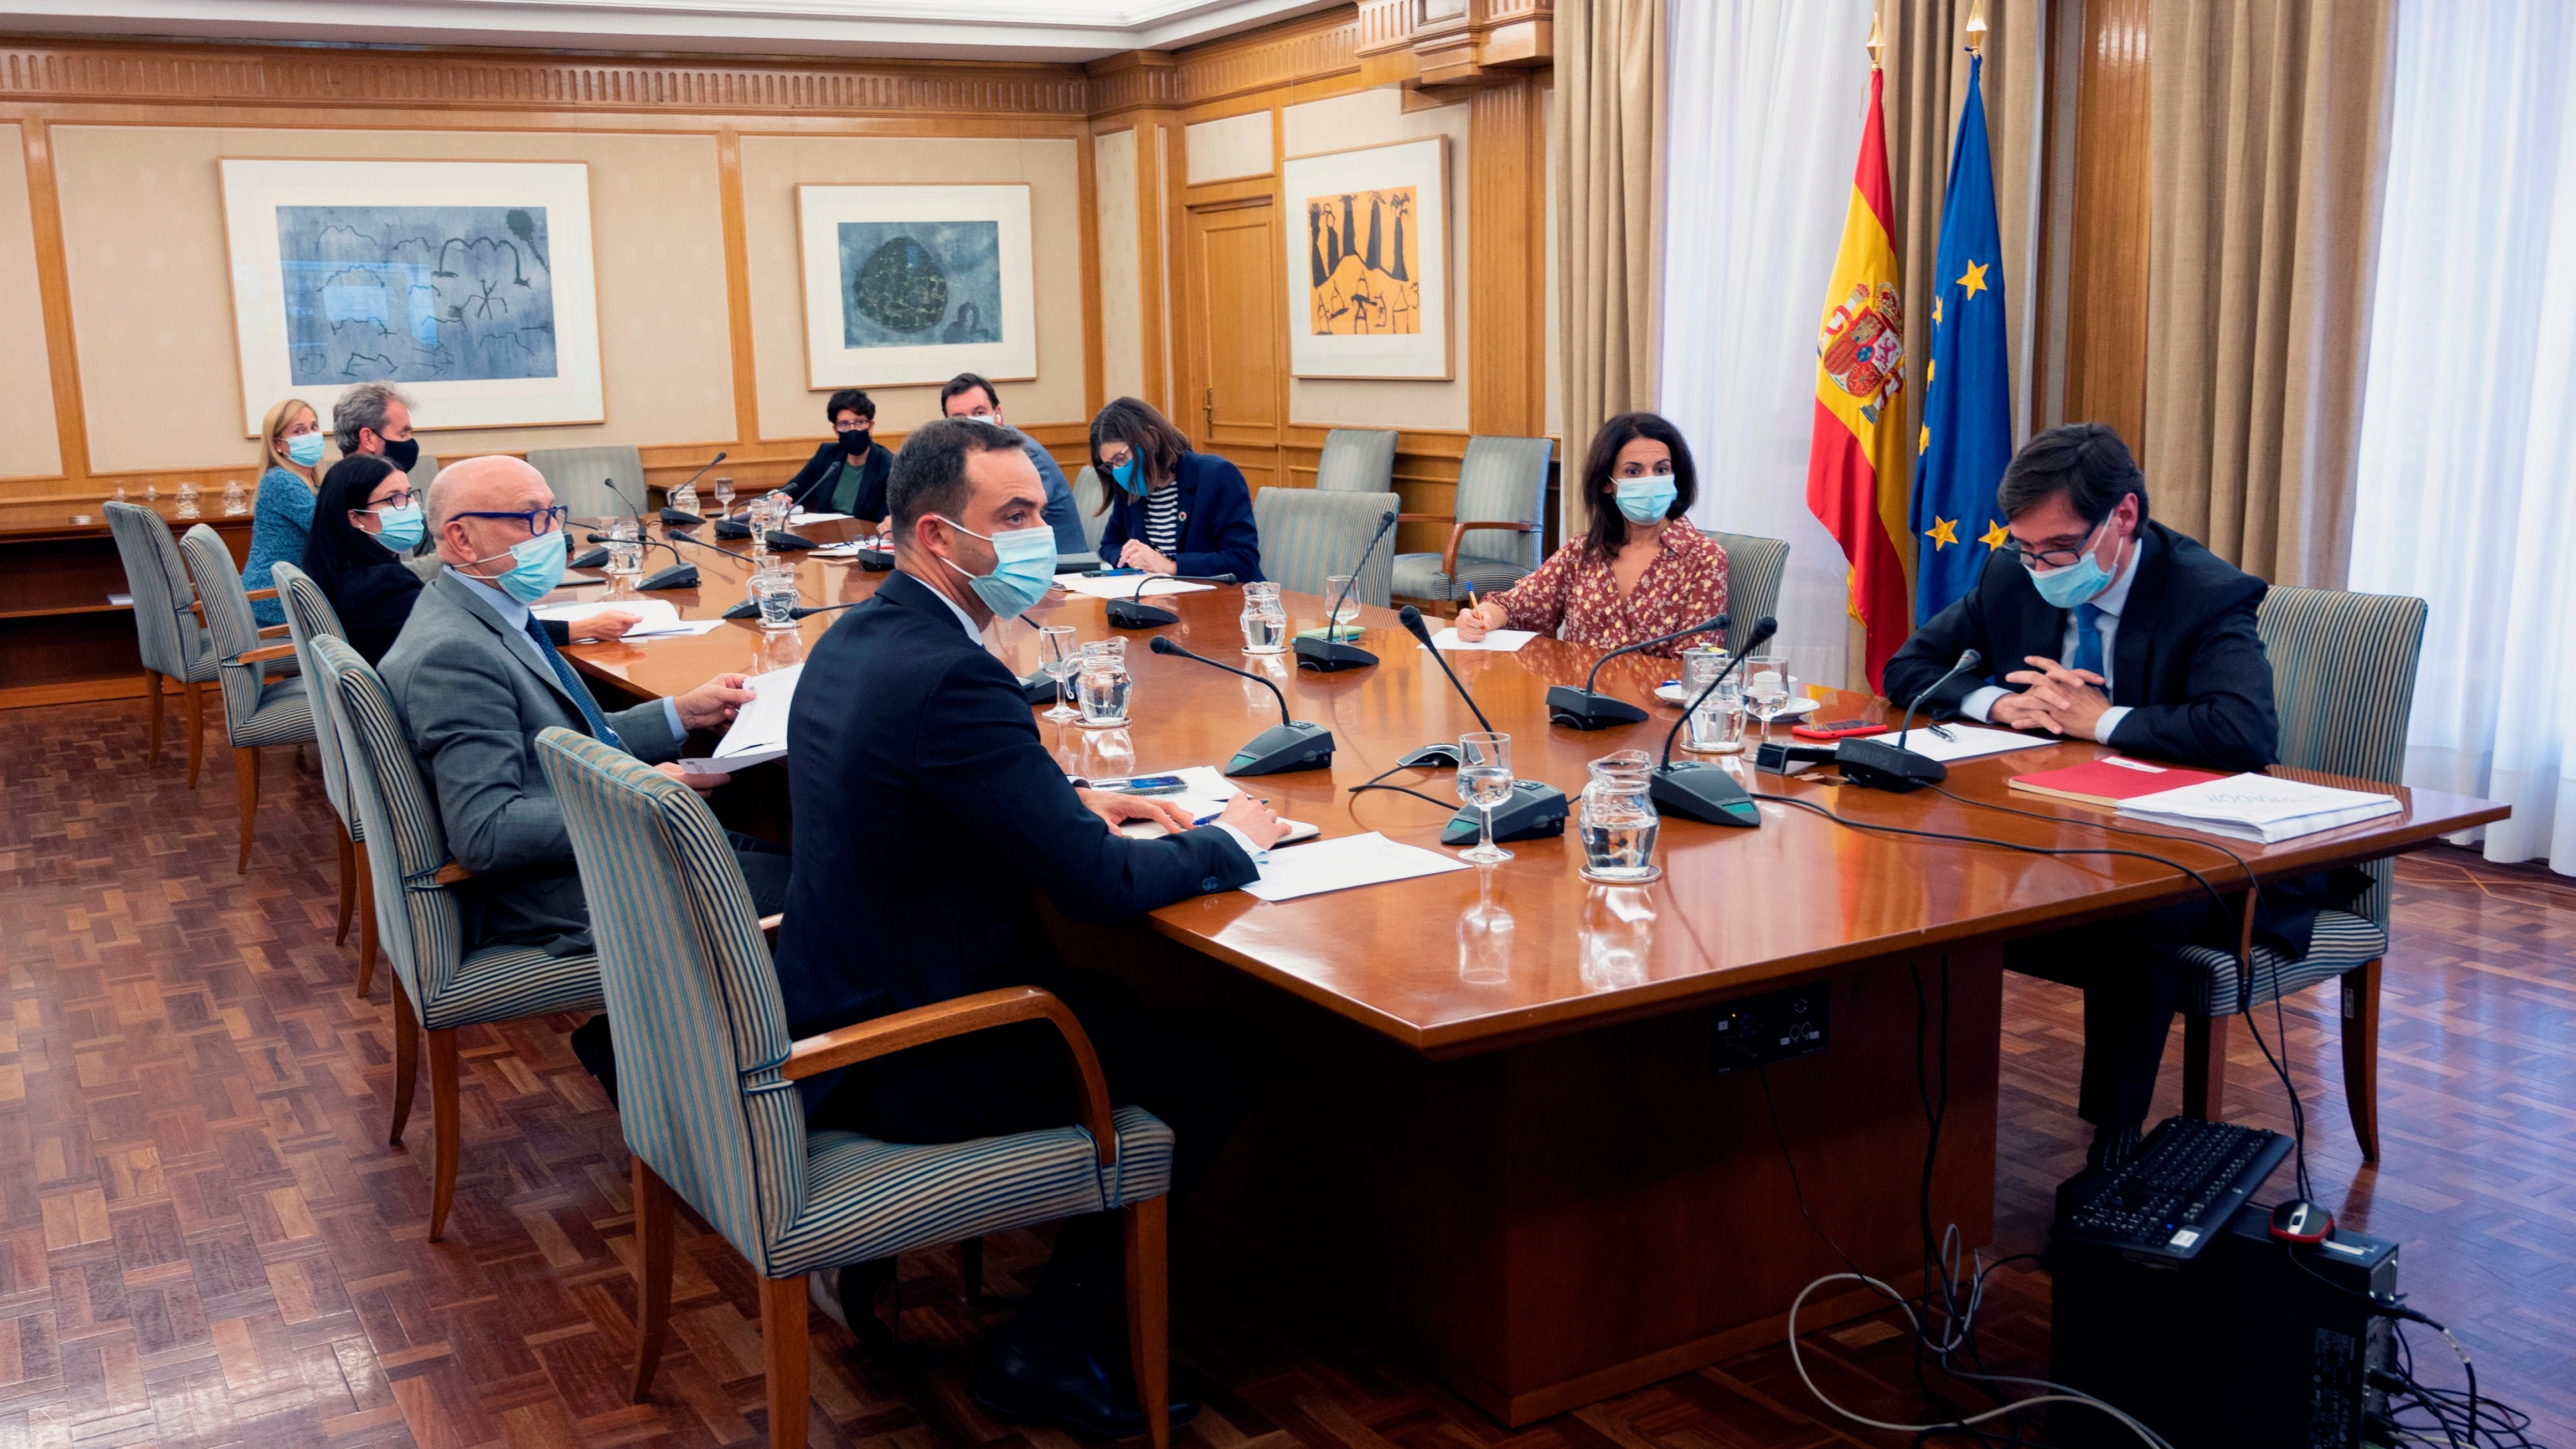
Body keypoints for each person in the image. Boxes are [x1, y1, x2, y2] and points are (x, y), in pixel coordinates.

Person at [775, 416, 1286, 1437]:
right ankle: (1044, 1343)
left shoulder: (864, 635)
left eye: (1041, 511)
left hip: (835, 997)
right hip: (924, 1044)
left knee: (1127, 1007)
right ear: (933, 537)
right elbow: (1094, 887)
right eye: (1010, 518)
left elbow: (934, 784)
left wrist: (1068, 796)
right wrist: (1234, 840)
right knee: (1214, 1053)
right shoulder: (954, 674)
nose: (1040, 532)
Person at [1882, 422, 2352, 1172]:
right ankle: (1904, 1109)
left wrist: (2097, 720)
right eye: (2025, 548)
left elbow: (2244, 731)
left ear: (2123, 518)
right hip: (2055, 820)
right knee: (1920, 867)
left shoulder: (2204, 593)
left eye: (2060, 549)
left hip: (2203, 848)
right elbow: (1908, 667)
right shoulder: (2013, 577)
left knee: (2134, 911)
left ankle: (2115, 1138)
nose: (2040, 568)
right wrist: (1995, 706)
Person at [379, 456, 788, 961]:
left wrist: (682, 713)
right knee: (824, 895)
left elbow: (574, 736)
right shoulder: (455, 655)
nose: (553, 533)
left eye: (554, 514)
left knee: (799, 866)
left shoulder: (481, 611)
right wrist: (638, 794)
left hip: (590, 856)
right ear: (461, 539)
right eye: (530, 518)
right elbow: (486, 832)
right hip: (562, 889)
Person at [300, 456, 637, 665]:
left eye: (409, 495)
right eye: (394, 499)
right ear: (356, 518)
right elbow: (481, 636)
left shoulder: (348, 570)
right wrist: (583, 629)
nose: (409, 507)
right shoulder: (380, 585)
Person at [1453, 411, 1728, 657]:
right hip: (1579, 706)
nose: (1650, 481)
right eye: (1633, 471)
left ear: (1675, 476)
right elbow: (1518, 606)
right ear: (1608, 484)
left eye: (1661, 470)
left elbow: (1697, 665)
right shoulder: (1584, 550)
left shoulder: (1704, 558)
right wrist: (1482, 618)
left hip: (1657, 710)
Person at [1089, 396, 1263, 581]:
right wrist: (1131, 558)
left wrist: (1171, 566)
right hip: (1161, 598)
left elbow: (1243, 560)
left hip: (1223, 600)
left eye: (1120, 459)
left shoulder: (1217, 475)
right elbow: (1110, 544)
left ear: (1151, 438)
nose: (1117, 471)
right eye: (1110, 465)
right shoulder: (1130, 490)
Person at [940, 372, 1086, 555]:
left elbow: (1006, 518)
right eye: (960, 419)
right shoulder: (973, 457)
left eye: (979, 413)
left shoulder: (1024, 455)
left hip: (1063, 570)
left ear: (998, 415)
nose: (971, 425)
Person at [241, 397, 328, 627]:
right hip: (274, 598)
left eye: (314, 427)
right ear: (278, 443)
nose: (311, 435)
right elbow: (327, 531)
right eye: (299, 431)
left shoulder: (313, 484)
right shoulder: (281, 481)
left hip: (294, 590)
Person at [777, 389, 894, 523]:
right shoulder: (827, 455)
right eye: (844, 424)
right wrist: (782, 497)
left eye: (859, 422)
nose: (853, 429)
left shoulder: (888, 466)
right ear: (836, 430)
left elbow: (884, 520)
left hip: (866, 540)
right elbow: (793, 489)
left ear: (871, 426)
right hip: (825, 536)